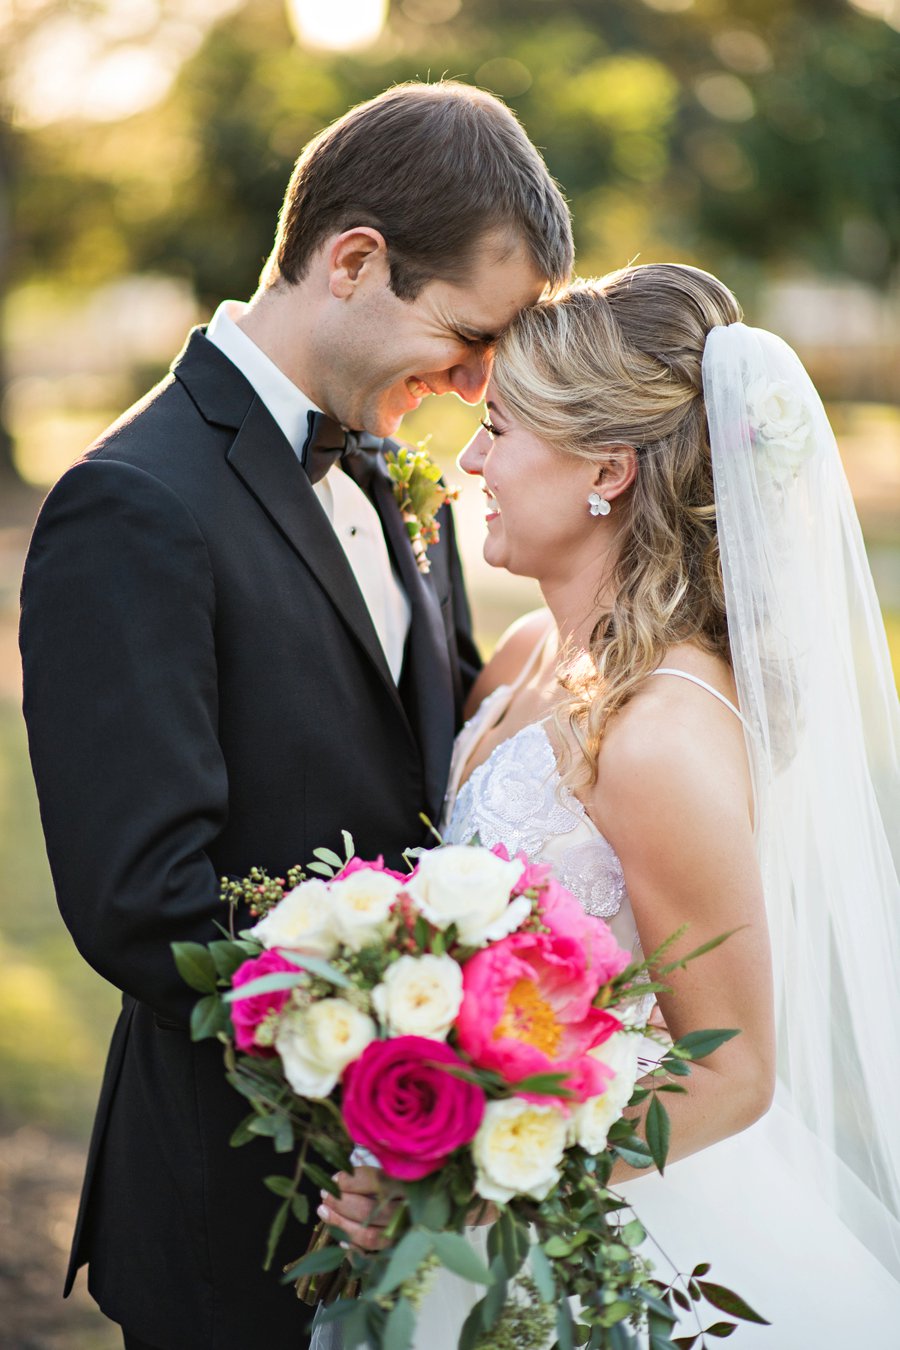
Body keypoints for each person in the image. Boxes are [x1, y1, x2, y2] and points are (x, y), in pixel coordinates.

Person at [18, 81, 573, 1350]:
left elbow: (442, 776)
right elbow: (143, 903)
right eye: (469, 337)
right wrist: (402, 1072)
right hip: (239, 1205)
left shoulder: (397, 473)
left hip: (431, 1210)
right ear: (356, 260)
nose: (480, 386)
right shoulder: (134, 506)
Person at [320, 263, 900, 1345]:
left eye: (499, 427)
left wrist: (476, 1184)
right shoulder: (531, 651)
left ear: (609, 469)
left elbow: (733, 1070)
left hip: (591, 1232)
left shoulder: (658, 737)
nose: (472, 458)